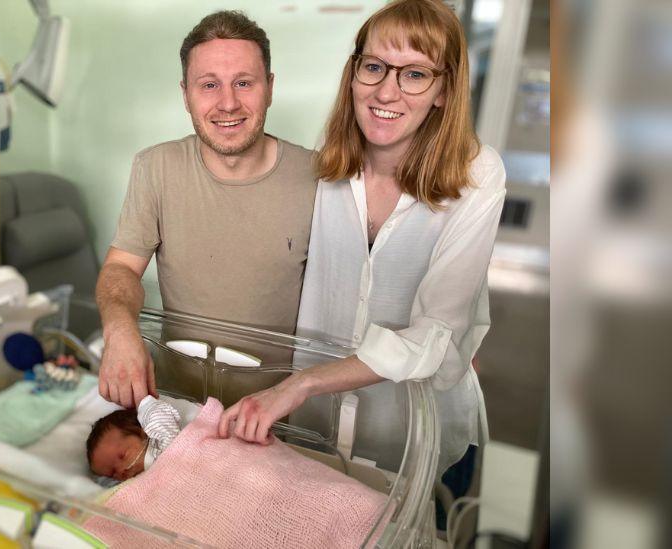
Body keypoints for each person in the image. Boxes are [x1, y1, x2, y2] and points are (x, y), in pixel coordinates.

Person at [218, 0, 507, 473]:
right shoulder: (328, 166)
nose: (386, 93)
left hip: (413, 433)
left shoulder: (477, 174)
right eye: (374, 68)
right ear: (354, 73)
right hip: (316, 429)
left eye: (414, 74)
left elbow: (436, 330)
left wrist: (302, 383)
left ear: (443, 90)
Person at [96, 11, 318, 408]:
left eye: (244, 83)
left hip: (281, 412)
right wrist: (118, 328)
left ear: (269, 88)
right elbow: (121, 269)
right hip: (179, 400)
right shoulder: (156, 167)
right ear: (186, 94)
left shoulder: (318, 176)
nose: (228, 103)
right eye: (209, 85)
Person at [87, 396, 182, 481]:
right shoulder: (135, 484)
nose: (121, 471)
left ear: (141, 433)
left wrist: (144, 402)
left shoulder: (161, 443)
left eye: (123, 456)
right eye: (113, 473)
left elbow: (160, 415)